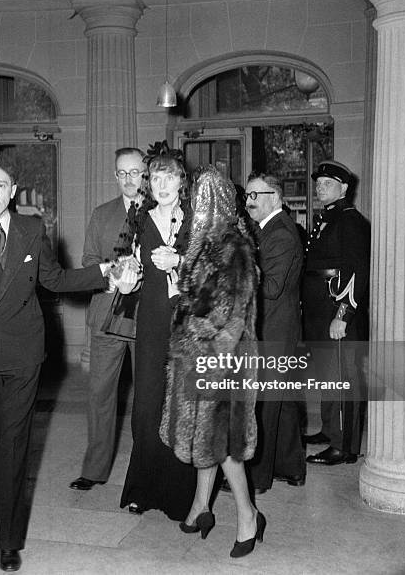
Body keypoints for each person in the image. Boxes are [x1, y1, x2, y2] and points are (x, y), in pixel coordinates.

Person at [0, 153, 110, 572]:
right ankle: (6, 504)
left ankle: (7, 538)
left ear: (13, 191)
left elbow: (56, 279)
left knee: (13, 443)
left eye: (1, 186)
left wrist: (105, 271)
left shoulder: (33, 230)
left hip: (24, 354)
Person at [160, 165, 265, 558]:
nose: (196, 209)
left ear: (218, 203)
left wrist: (199, 343)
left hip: (224, 360)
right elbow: (194, 301)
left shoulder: (232, 247)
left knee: (223, 444)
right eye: (195, 201)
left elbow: (228, 316)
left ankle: (248, 516)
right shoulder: (205, 243)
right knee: (204, 436)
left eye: (203, 201)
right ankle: (201, 506)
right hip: (200, 357)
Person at [118, 141, 197, 520]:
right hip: (150, 320)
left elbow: (212, 275)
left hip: (185, 322)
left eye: (170, 177)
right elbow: (130, 268)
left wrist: (178, 261)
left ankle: (179, 496)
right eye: (156, 178)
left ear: (182, 181)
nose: (162, 184)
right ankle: (142, 489)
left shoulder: (197, 221)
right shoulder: (140, 219)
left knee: (179, 404)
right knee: (147, 404)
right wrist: (126, 277)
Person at [69, 147, 147, 491]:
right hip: (106, 318)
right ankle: (94, 469)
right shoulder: (102, 214)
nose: (130, 180)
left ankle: (145, 472)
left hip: (146, 319)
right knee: (99, 394)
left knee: (147, 399)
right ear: (116, 176)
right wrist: (109, 273)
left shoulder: (165, 212)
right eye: (122, 173)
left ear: (146, 173)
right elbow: (88, 261)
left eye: (135, 172)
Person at [302, 160, 370, 465]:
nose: (320, 188)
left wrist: (343, 315)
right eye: (318, 183)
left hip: (337, 311)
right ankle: (330, 430)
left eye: (327, 183)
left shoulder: (350, 220)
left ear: (344, 187)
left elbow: (357, 271)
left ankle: (343, 446)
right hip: (321, 311)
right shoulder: (328, 218)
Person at [244, 172, 306, 492]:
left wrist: (238, 268)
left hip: (274, 330)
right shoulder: (266, 229)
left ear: (276, 198)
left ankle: (257, 477)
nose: (249, 201)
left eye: (257, 195)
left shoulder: (279, 233)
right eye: (248, 195)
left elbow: (270, 287)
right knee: (283, 401)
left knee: (266, 403)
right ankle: (290, 466)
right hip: (278, 328)